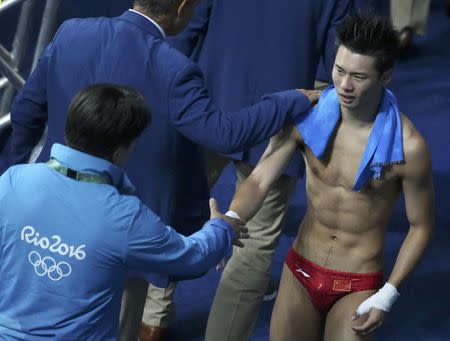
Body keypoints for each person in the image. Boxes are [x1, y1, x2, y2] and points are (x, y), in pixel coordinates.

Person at [8, 0, 317, 340]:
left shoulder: (70, 34)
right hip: (129, 231)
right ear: (183, 6)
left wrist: (17, 177)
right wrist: (289, 100)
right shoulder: (172, 68)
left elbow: (25, 114)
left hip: (43, 209)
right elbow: (224, 134)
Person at [225, 12, 434, 340]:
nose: (344, 85)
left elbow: (421, 226)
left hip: (358, 282)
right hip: (300, 268)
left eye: (359, 77)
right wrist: (231, 218)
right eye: (339, 71)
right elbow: (260, 178)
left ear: (386, 76)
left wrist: (389, 293)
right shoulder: (305, 115)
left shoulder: (409, 147)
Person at [0, 84, 251, 340]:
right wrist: (223, 227)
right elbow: (192, 255)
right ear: (120, 151)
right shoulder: (126, 217)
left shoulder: (13, 180)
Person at [162, 1, 352, 339]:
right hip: (282, 112)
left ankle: (151, 318)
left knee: (171, 208)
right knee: (256, 240)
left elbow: (187, 26)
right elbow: (341, 56)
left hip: (208, 102)